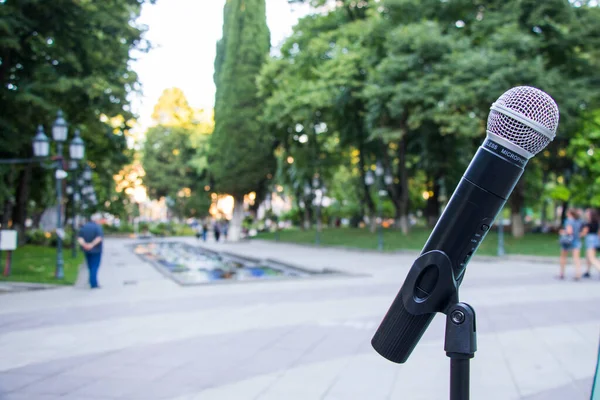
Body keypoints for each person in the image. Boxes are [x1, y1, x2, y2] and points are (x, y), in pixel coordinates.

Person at [78, 217, 104, 289]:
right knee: (94, 266)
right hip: (96, 250)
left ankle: (90, 281)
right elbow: (99, 238)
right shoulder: (97, 227)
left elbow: (80, 238)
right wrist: (91, 245)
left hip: (87, 250)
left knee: (90, 266)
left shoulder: (84, 227)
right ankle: (93, 283)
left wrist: (85, 245)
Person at [558, 208, 583, 280]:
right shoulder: (578, 221)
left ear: (569, 213)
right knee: (576, 258)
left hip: (567, 241)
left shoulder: (569, 221)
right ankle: (578, 274)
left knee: (563, 257)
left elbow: (569, 232)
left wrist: (562, 232)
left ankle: (562, 273)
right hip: (576, 240)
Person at [581, 208, 600, 278]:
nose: (586, 214)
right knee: (588, 257)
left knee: (591, 258)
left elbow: (584, 233)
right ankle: (587, 271)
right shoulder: (596, 222)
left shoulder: (588, 223)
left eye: (587, 213)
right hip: (595, 239)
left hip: (590, 240)